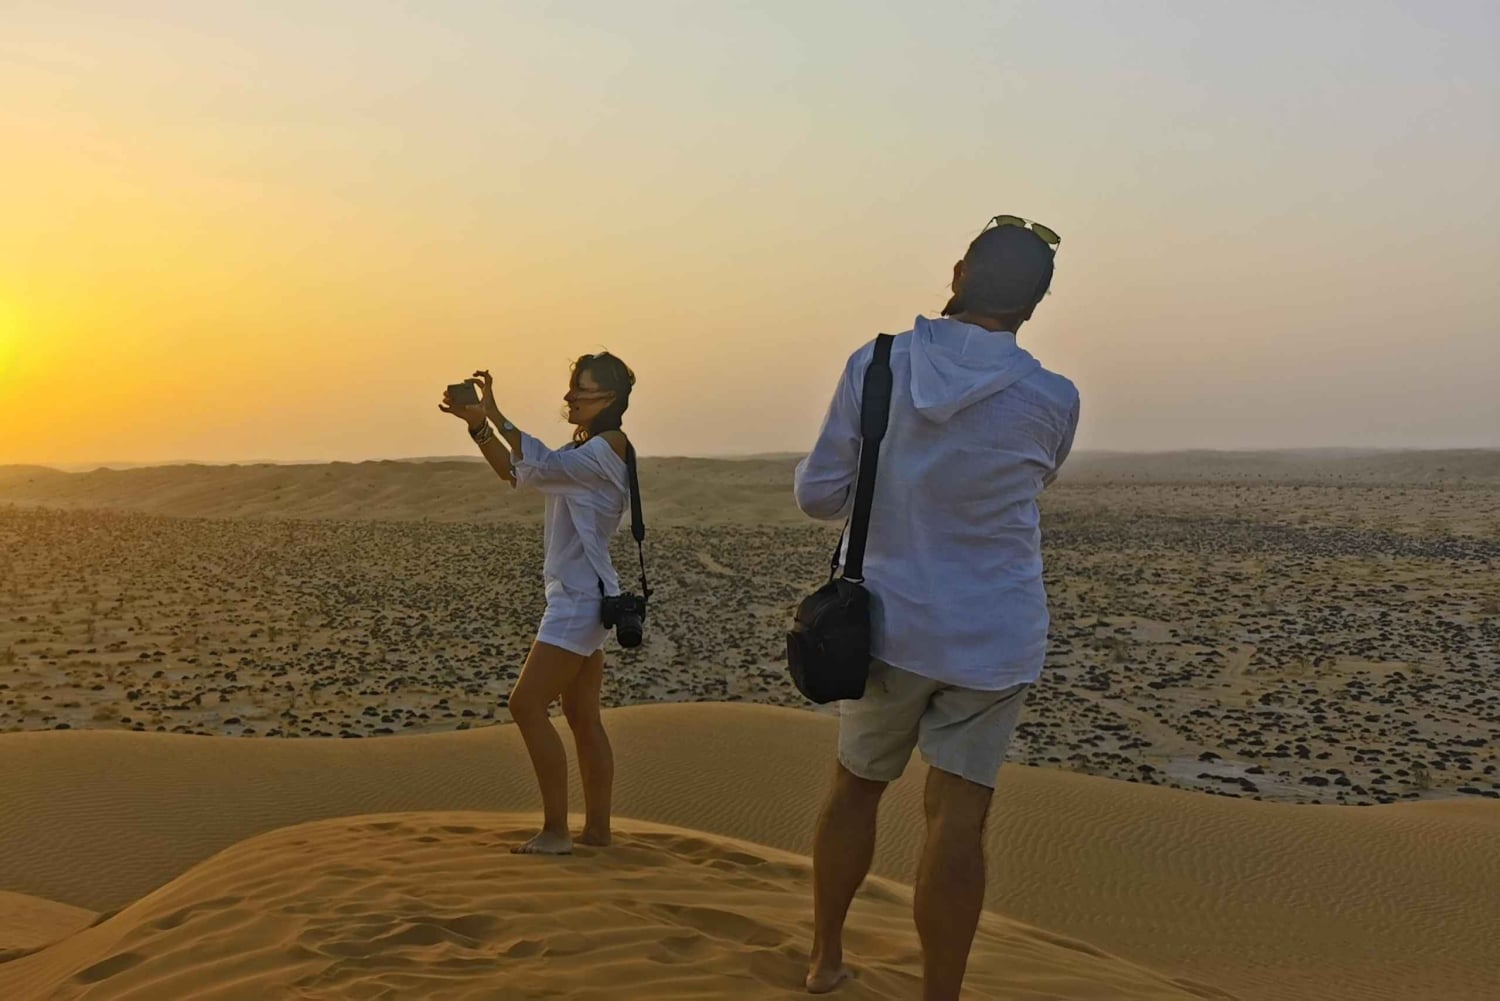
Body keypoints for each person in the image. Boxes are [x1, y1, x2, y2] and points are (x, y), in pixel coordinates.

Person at [793, 217, 1080, 999]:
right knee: (959, 820)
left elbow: (818, 495)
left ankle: (825, 959)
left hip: (888, 628)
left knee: (856, 787)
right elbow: (1032, 479)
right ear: (1034, 305)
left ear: (958, 272)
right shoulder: (1053, 397)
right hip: (995, 637)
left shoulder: (879, 362)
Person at [439, 353, 636, 855]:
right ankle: (597, 832)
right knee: (582, 714)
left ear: (609, 399)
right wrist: (480, 427)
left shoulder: (606, 448)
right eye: (571, 387)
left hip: (576, 603)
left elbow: (539, 463)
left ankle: (555, 831)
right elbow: (520, 473)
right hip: (584, 595)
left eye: (583, 390)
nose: (570, 398)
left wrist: (496, 415)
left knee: (526, 704)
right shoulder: (587, 450)